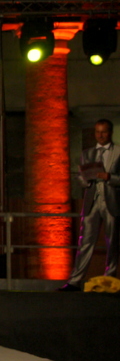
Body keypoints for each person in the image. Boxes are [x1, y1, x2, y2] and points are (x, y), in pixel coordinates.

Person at [59, 119, 120, 291]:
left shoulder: (118, 152)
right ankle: (74, 281)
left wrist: (110, 177)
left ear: (110, 132)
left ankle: (109, 280)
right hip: (92, 201)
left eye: (104, 132)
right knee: (85, 241)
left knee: (113, 243)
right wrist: (85, 180)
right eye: (97, 132)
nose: (100, 135)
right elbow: (80, 177)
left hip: (112, 201)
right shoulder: (87, 153)